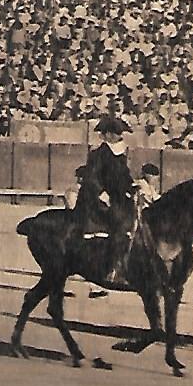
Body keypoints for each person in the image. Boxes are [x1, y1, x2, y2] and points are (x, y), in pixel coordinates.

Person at [74, 116, 136, 282]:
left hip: (116, 198)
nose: (120, 136)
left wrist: (133, 186)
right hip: (96, 199)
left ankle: (124, 266)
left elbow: (124, 176)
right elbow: (92, 177)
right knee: (117, 225)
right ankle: (112, 268)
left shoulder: (120, 154)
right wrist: (101, 193)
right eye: (116, 133)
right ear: (107, 134)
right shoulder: (98, 154)